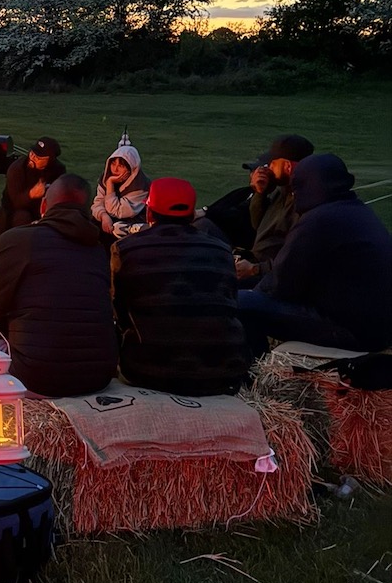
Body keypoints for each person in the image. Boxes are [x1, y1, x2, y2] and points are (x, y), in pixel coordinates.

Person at [0, 173, 118, 430]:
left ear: (43, 206)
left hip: (35, 377)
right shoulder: (98, 250)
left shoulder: (19, 239)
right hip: (97, 377)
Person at [237, 154, 392, 357]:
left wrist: (247, 292)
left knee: (239, 303)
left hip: (352, 332)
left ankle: (255, 368)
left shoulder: (318, 221)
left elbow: (279, 285)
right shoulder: (359, 212)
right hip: (378, 328)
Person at [111, 177, 251, 396]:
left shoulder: (125, 249)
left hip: (146, 372)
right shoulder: (222, 250)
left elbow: (118, 312)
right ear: (193, 215)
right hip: (221, 374)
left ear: (149, 213)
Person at [234, 134, 314, 284]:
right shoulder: (281, 190)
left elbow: (296, 259)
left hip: (274, 276)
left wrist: (255, 269)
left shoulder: (304, 203)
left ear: (287, 166)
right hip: (258, 264)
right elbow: (258, 225)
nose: (268, 168)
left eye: (272, 164)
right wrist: (260, 193)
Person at [90, 139, 151, 239]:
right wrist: (103, 216)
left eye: (121, 166)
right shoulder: (106, 178)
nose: (115, 169)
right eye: (113, 164)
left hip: (131, 223)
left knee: (116, 229)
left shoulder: (140, 186)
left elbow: (116, 211)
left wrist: (110, 184)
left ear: (131, 167)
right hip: (109, 219)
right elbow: (97, 203)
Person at [3, 136, 66, 227]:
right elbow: (14, 202)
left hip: (45, 208)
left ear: (50, 160)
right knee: (22, 217)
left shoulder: (58, 170)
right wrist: (31, 194)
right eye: (32, 153)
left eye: (38, 157)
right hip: (18, 209)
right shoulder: (17, 169)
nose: (32, 157)